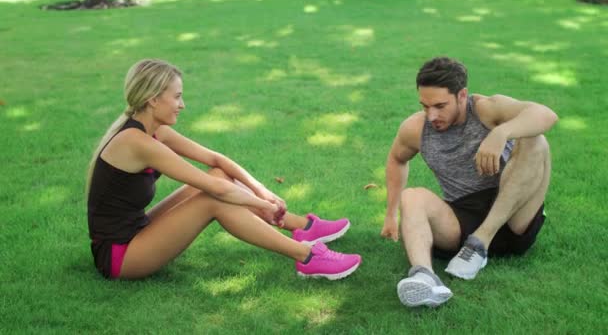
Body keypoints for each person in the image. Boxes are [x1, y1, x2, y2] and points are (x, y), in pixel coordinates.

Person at [86, 59, 361, 280]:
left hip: (138, 230)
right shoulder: (136, 141)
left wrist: (262, 192)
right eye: (177, 97)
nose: (183, 105)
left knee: (216, 176)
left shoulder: (157, 131)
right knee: (212, 199)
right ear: (153, 99)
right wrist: (262, 206)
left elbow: (217, 162)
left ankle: (304, 227)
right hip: (119, 256)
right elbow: (216, 190)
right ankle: (308, 256)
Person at [380, 57, 557, 307]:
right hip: (462, 220)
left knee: (536, 140)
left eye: (440, 106)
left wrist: (500, 132)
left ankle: (481, 243)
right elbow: (396, 160)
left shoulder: (487, 109)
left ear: (462, 95)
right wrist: (390, 214)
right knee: (412, 196)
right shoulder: (415, 129)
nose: (432, 115)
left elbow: (545, 115)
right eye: (425, 106)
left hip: (514, 215)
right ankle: (425, 277)